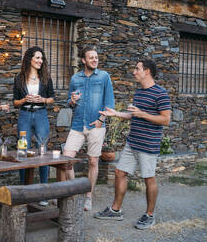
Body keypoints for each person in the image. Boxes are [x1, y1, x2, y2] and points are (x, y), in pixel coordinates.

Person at [94, 59, 171, 230]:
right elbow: (134, 115)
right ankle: (115, 210)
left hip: (148, 144)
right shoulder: (139, 92)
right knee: (120, 172)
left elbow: (165, 119)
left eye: (137, 69)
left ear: (147, 71)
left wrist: (143, 114)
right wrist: (116, 114)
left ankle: (149, 215)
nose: (134, 72)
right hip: (132, 142)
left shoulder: (161, 93)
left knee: (148, 178)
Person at [63, 45, 115, 211]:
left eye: (96, 57)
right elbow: (70, 103)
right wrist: (71, 101)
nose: (95, 60)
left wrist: (101, 119)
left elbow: (109, 102)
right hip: (77, 125)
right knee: (67, 159)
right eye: (91, 57)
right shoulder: (75, 79)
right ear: (83, 60)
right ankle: (73, 193)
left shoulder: (104, 77)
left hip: (96, 126)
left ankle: (88, 197)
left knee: (93, 161)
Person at [13, 46, 55, 206]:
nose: (40, 61)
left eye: (41, 58)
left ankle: (43, 193)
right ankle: (24, 191)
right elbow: (15, 102)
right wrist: (25, 99)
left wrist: (42, 100)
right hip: (24, 115)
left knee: (42, 150)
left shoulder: (45, 78)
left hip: (41, 115)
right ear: (29, 59)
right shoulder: (19, 78)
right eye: (37, 58)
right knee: (23, 150)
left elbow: (52, 98)